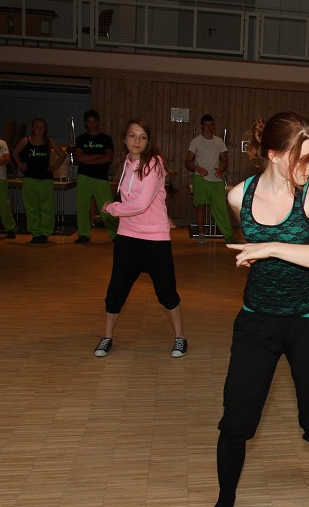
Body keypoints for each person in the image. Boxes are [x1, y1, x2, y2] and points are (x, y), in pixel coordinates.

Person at [202, 112, 309, 507]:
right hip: (258, 319)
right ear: (272, 154)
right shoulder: (239, 195)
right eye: (301, 160)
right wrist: (259, 254)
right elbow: (254, 246)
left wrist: (271, 247)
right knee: (235, 421)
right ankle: (224, 500)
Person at [94, 118, 186, 359]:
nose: (137, 141)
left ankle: (180, 337)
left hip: (154, 239)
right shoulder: (125, 163)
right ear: (124, 139)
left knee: (166, 293)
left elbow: (142, 204)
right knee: (116, 291)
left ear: (148, 141)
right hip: (127, 236)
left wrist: (111, 208)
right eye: (132, 136)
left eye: (142, 137)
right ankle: (107, 337)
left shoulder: (154, 164)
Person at [11, 118, 67, 244]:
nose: (39, 129)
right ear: (33, 128)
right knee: (32, 208)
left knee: (47, 208)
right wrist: (20, 165)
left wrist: (56, 166)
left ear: (45, 129)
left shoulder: (49, 141)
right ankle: (35, 233)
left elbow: (62, 154)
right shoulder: (26, 140)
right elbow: (14, 152)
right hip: (30, 178)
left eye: (42, 127)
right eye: (37, 126)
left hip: (45, 179)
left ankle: (45, 233)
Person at [186, 114, 234, 243]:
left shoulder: (219, 141)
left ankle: (229, 236)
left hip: (216, 180)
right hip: (201, 179)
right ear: (202, 126)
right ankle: (201, 234)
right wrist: (198, 168)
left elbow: (225, 161)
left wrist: (221, 168)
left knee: (221, 208)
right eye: (206, 125)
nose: (209, 128)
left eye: (211, 125)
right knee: (200, 207)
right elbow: (188, 162)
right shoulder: (196, 141)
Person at [74, 109, 118, 243]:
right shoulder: (81, 139)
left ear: (98, 122)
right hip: (84, 177)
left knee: (107, 207)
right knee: (82, 207)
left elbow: (108, 158)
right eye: (89, 121)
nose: (92, 124)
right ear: (86, 123)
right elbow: (80, 158)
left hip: (100, 177)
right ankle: (83, 235)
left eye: (94, 121)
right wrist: (99, 156)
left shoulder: (106, 139)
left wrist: (88, 158)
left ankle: (116, 235)